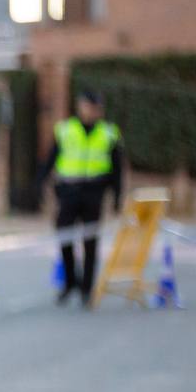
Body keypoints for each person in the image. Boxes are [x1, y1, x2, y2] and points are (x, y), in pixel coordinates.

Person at [36, 89, 124, 306]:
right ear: (80, 106)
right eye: (88, 106)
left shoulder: (109, 133)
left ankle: (87, 287)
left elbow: (117, 169)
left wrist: (117, 197)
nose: (92, 111)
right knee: (64, 237)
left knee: (90, 242)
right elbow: (50, 160)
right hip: (69, 192)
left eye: (96, 107)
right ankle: (69, 282)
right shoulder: (65, 130)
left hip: (94, 192)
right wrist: (40, 184)